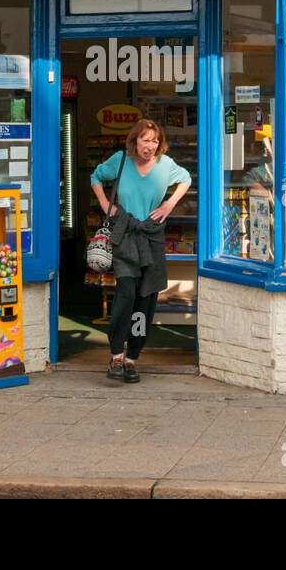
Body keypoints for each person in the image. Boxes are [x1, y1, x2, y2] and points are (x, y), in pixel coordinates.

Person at [90, 118, 191, 384]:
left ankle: (132, 358)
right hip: (124, 234)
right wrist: (105, 204)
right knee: (126, 296)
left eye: (155, 141)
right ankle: (115, 355)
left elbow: (186, 179)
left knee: (146, 302)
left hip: (152, 236)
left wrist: (169, 205)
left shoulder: (165, 165)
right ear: (135, 140)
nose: (150, 146)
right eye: (145, 140)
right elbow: (96, 176)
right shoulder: (121, 160)